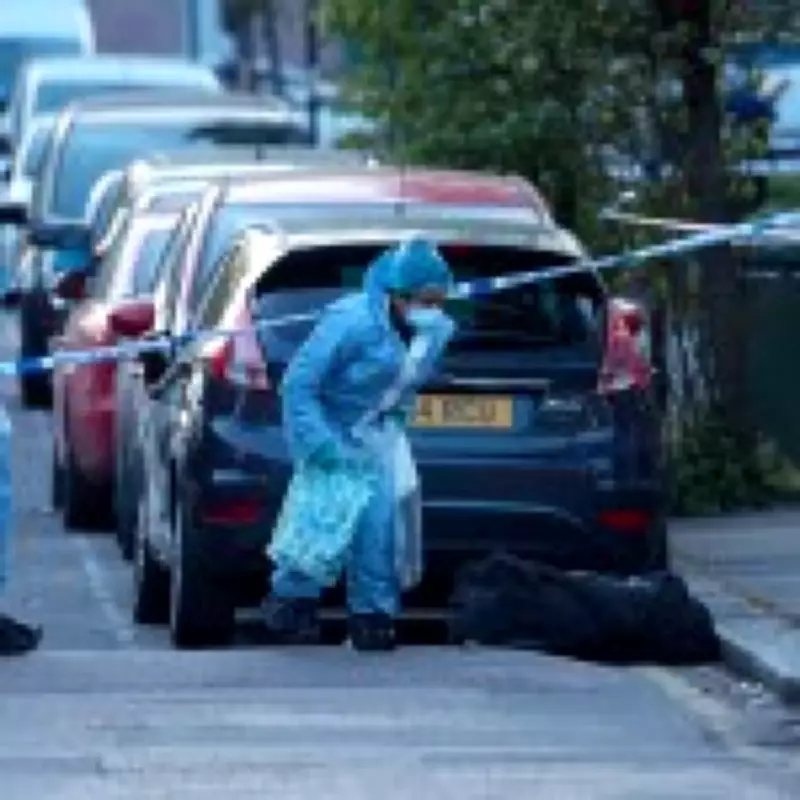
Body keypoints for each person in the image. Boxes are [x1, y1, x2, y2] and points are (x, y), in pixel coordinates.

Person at [261, 237, 456, 651]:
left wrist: (395, 422)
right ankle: (292, 604)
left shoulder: (434, 331)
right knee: (321, 519)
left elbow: (405, 384)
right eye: (423, 300)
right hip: (332, 429)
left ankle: (374, 616)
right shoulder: (351, 322)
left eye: (439, 301)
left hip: (377, 434)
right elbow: (300, 383)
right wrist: (319, 443)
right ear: (395, 295)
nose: (432, 310)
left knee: (380, 524)